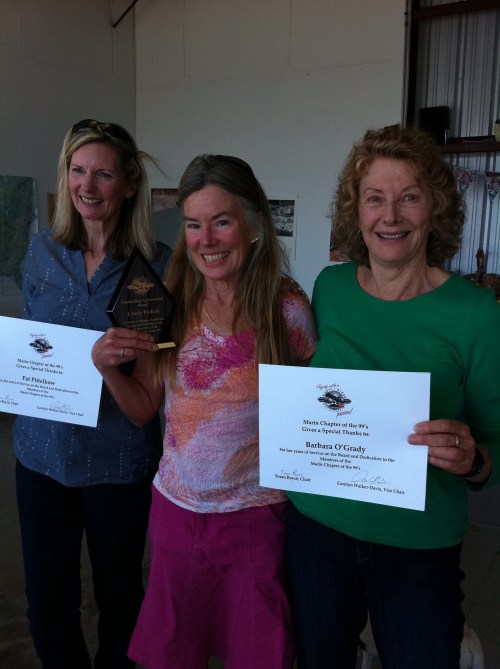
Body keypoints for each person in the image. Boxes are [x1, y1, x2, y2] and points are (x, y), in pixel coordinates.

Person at [285, 124, 500, 669]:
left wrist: (473, 458)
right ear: (356, 210)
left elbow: (495, 444)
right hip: (317, 528)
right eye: (375, 198)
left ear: (435, 207)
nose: (391, 215)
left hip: (417, 545)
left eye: (409, 197)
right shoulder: (329, 288)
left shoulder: (475, 314)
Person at [91, 154, 317, 669]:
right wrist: (107, 371)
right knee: (174, 653)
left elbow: (311, 421)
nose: (206, 239)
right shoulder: (168, 304)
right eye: (193, 225)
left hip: (257, 517)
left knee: (257, 655)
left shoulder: (287, 312)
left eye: (221, 221)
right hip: (177, 513)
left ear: (253, 225)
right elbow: (143, 409)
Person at [13, 119, 171, 669]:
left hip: (117, 462)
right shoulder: (41, 251)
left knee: (120, 599)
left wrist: (106, 367)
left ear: (129, 185)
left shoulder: (157, 265)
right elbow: (32, 343)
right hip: (41, 456)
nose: (87, 185)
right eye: (77, 171)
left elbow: (150, 390)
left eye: (103, 173)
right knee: (46, 604)